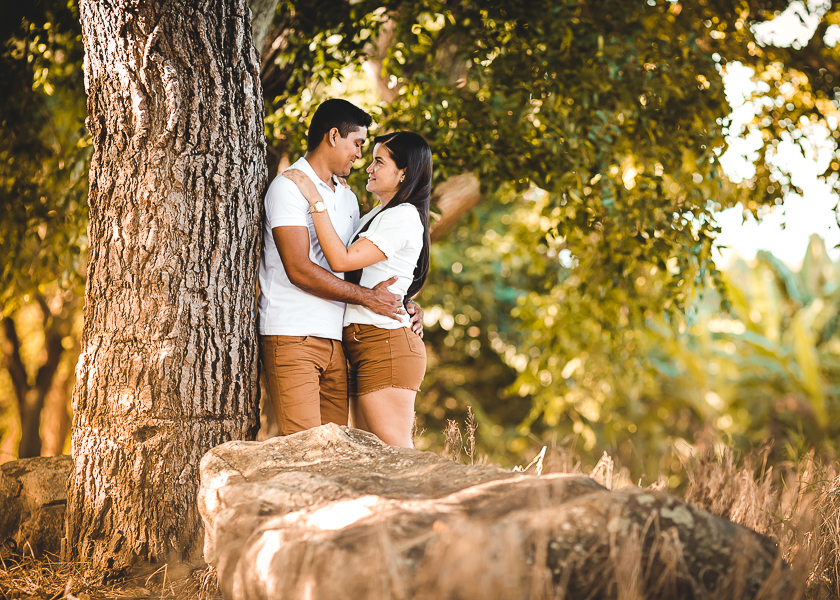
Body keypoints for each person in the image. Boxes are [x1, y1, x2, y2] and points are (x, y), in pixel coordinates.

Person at [258, 99, 423, 437]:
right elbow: (299, 269)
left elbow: (361, 264)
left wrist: (403, 300)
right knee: (306, 450)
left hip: (338, 343)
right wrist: (368, 298)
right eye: (358, 144)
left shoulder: (347, 198)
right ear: (333, 136)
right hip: (293, 335)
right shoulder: (290, 186)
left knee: (339, 453)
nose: (361, 157)